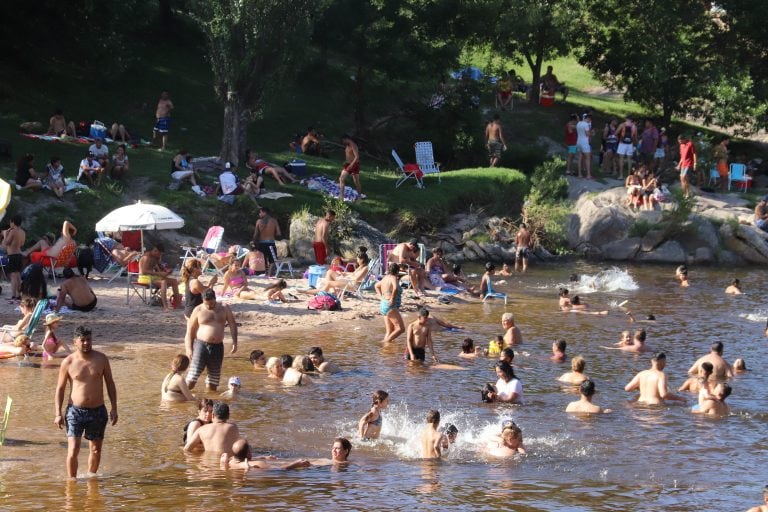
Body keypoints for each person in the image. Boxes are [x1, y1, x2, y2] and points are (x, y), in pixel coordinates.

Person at [54, 325, 118, 478]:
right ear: (75, 342)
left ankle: (91, 478)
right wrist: (57, 413)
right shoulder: (68, 362)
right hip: (75, 411)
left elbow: (110, 383)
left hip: (98, 410)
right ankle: (72, 483)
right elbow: (60, 389)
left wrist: (114, 408)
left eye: (88, 340)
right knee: (73, 450)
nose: (86, 343)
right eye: (82, 340)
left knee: (96, 450)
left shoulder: (101, 359)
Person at [185, 288, 238, 392]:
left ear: (215, 298)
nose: (209, 306)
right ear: (203, 300)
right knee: (192, 377)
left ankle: (210, 402)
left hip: (218, 347)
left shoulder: (224, 307)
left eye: (212, 304)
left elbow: (232, 324)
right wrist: (189, 348)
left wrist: (235, 342)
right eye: (207, 304)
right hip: (201, 346)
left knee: (213, 382)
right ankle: (181, 396)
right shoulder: (198, 310)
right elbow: (190, 331)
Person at [139, 243, 181, 312]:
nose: (160, 256)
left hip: (153, 277)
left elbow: (159, 268)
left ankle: (178, 304)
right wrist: (159, 273)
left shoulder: (155, 257)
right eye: (159, 254)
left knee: (174, 281)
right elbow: (144, 271)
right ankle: (165, 306)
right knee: (163, 282)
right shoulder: (147, 257)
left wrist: (166, 271)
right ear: (155, 250)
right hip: (144, 278)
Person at [375, 263, 405, 344]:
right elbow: (395, 288)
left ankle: (386, 351)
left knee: (390, 331)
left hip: (384, 304)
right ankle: (385, 342)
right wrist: (392, 299)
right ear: (397, 271)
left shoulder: (385, 278)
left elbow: (376, 285)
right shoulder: (393, 277)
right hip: (390, 305)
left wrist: (380, 296)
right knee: (401, 329)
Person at [252, 207, 281, 276]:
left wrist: (253, 243)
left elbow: (255, 234)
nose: (259, 214)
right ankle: (270, 275)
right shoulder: (274, 221)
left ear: (264, 212)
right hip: (271, 243)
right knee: (272, 260)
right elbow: (278, 233)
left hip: (261, 244)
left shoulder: (258, 221)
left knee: (262, 260)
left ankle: (263, 274)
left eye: (260, 212)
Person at [2, 215, 26, 301]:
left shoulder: (12, 232)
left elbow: (6, 243)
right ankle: (19, 295)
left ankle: (13, 296)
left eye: (10, 222)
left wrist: (5, 234)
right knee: (18, 275)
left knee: (13, 276)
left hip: (12, 255)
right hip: (19, 255)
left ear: (13, 222)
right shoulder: (23, 232)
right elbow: (22, 244)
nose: (9, 224)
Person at [338, 134, 363, 201]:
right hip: (348, 164)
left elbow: (357, 157)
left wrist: (351, 165)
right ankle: (341, 197)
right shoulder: (347, 145)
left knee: (356, 181)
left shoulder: (353, 145)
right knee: (341, 178)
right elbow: (349, 155)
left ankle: (359, 196)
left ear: (346, 139)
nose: (343, 142)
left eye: (343, 140)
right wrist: (346, 162)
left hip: (354, 165)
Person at [677, 134, 697, 198]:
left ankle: (687, 193)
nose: (680, 143)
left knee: (684, 176)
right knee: (682, 179)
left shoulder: (690, 144)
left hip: (689, 163)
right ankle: (685, 192)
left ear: (684, 139)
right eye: (679, 142)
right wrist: (679, 165)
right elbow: (682, 157)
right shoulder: (681, 145)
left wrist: (695, 163)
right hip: (683, 164)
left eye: (681, 141)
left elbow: (694, 154)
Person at [576, 113, 593, 179]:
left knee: (579, 158)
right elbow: (587, 134)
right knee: (587, 158)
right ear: (587, 118)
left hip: (578, 141)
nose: (590, 121)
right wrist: (592, 133)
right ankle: (588, 175)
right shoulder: (586, 124)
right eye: (590, 119)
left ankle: (579, 174)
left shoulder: (578, 123)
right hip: (585, 142)